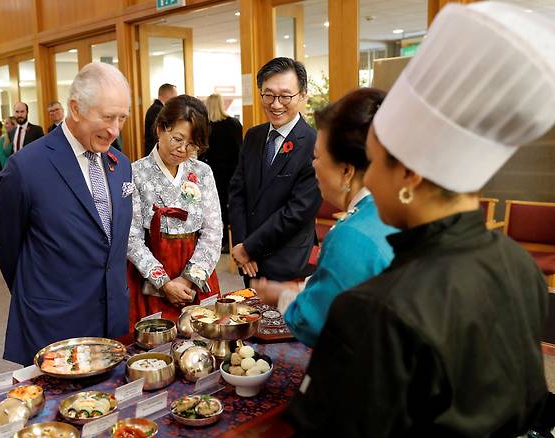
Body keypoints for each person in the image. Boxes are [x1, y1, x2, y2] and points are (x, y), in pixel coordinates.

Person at [287, 3, 555, 436]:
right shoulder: (518, 265)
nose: (368, 177)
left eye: (374, 162)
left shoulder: (375, 310)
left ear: (409, 173)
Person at [0, 62, 132, 365]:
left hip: (112, 318)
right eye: (107, 117)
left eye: (122, 118)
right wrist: (36, 297)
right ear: (76, 108)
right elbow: (8, 247)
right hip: (54, 323)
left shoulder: (121, 165)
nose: (115, 129)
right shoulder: (26, 168)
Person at [253, 88, 396, 348]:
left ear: (346, 171)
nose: (312, 165)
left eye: (318, 157)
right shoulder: (390, 211)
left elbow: (316, 322)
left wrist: (283, 297)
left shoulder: (351, 235)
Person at [127, 95, 222, 326]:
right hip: (152, 272)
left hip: (196, 268)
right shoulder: (135, 173)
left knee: (203, 344)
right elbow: (132, 238)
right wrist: (165, 283)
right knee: (155, 348)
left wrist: (189, 279)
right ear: (160, 129)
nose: (183, 149)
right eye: (177, 139)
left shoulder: (202, 172)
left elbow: (213, 231)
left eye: (191, 144)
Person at [229, 57, 321, 285]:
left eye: (285, 96)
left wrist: (249, 247)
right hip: (249, 261)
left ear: (302, 95)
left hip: (287, 262)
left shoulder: (314, 144)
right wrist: (241, 245)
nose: (276, 104)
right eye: (268, 95)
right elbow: (237, 193)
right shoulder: (253, 136)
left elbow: (297, 211)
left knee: (286, 321)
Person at [201, 93, 242, 253]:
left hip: (213, 171)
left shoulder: (206, 127)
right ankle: (233, 241)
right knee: (231, 204)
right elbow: (240, 148)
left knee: (215, 206)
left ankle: (220, 239)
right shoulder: (234, 123)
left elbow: (202, 151)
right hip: (232, 171)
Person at [144, 83, 177, 156]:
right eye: (175, 97)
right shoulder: (158, 110)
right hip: (156, 154)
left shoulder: (156, 108)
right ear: (169, 95)